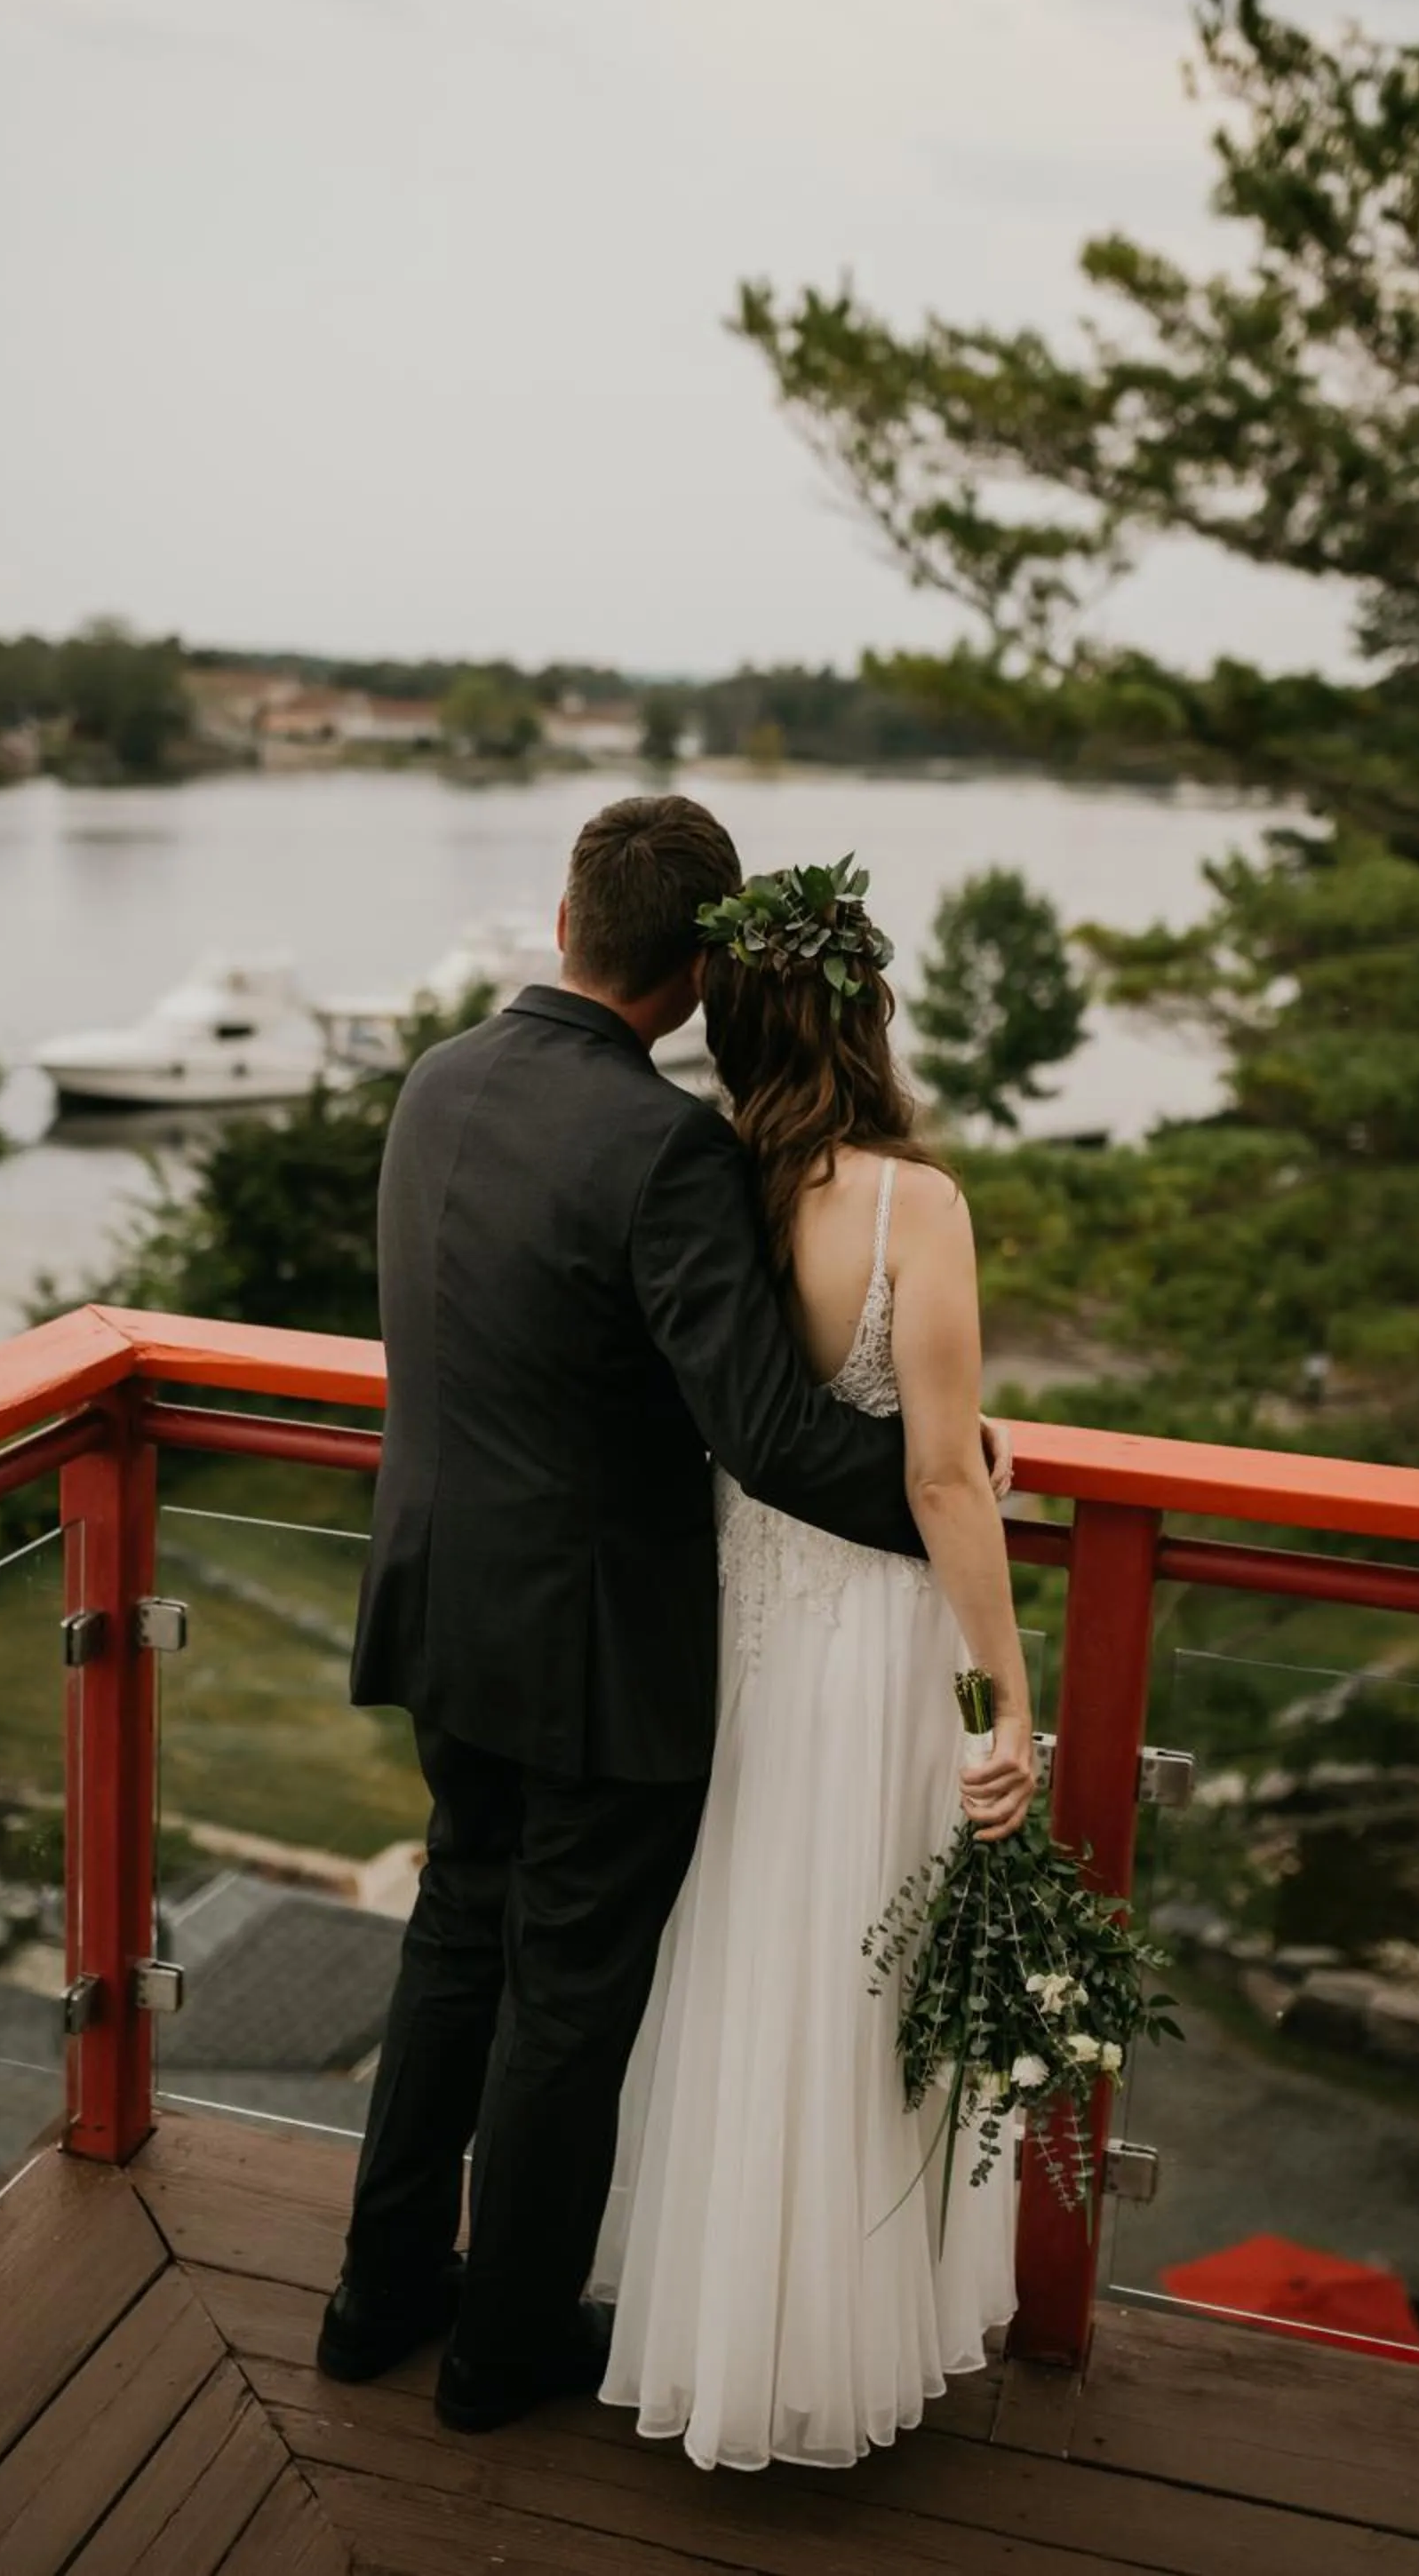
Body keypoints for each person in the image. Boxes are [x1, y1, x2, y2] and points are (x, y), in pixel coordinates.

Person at [318, 797, 1019, 2436]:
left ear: (569, 918)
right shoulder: (663, 1150)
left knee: (450, 1940)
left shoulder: (435, 1083)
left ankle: (376, 2298)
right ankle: (499, 2348)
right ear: (699, 970)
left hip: (440, 1606)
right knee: (562, 1999)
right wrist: (952, 1477)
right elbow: (766, 1436)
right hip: (595, 1658)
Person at [594, 855, 1036, 2471]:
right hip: (867, 1642)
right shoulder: (915, 1203)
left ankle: (721, 2327)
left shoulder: (707, 1177)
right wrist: (1012, 1697)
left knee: (743, 1959)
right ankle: (833, 2349)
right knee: (860, 1980)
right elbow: (937, 1478)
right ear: (871, 1013)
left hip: (737, 1623)